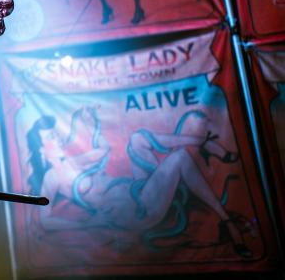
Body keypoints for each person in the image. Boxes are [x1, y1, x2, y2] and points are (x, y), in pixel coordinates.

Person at [26, 106, 251, 257]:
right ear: (41, 149)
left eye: (56, 133)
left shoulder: (76, 160)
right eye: (50, 137)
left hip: (134, 189)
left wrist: (93, 124)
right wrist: (87, 224)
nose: (58, 138)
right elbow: (46, 220)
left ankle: (201, 141)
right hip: (132, 210)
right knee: (180, 157)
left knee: (138, 138)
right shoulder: (51, 177)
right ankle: (229, 224)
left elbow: (103, 149)